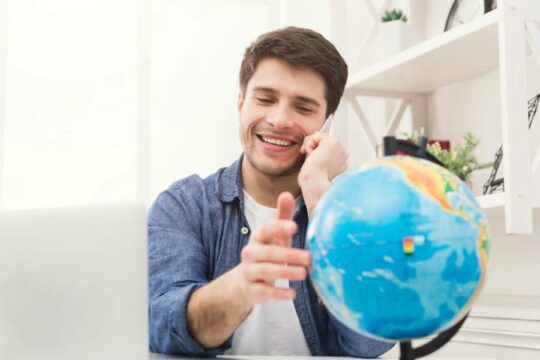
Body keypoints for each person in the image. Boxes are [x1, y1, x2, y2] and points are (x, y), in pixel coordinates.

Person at [148, 26, 394, 357]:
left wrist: (319, 191)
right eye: (265, 99)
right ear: (240, 104)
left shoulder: (358, 208)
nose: (279, 120)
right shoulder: (184, 205)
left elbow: (372, 342)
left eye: (303, 108)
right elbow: (163, 328)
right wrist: (242, 286)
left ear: (326, 123)